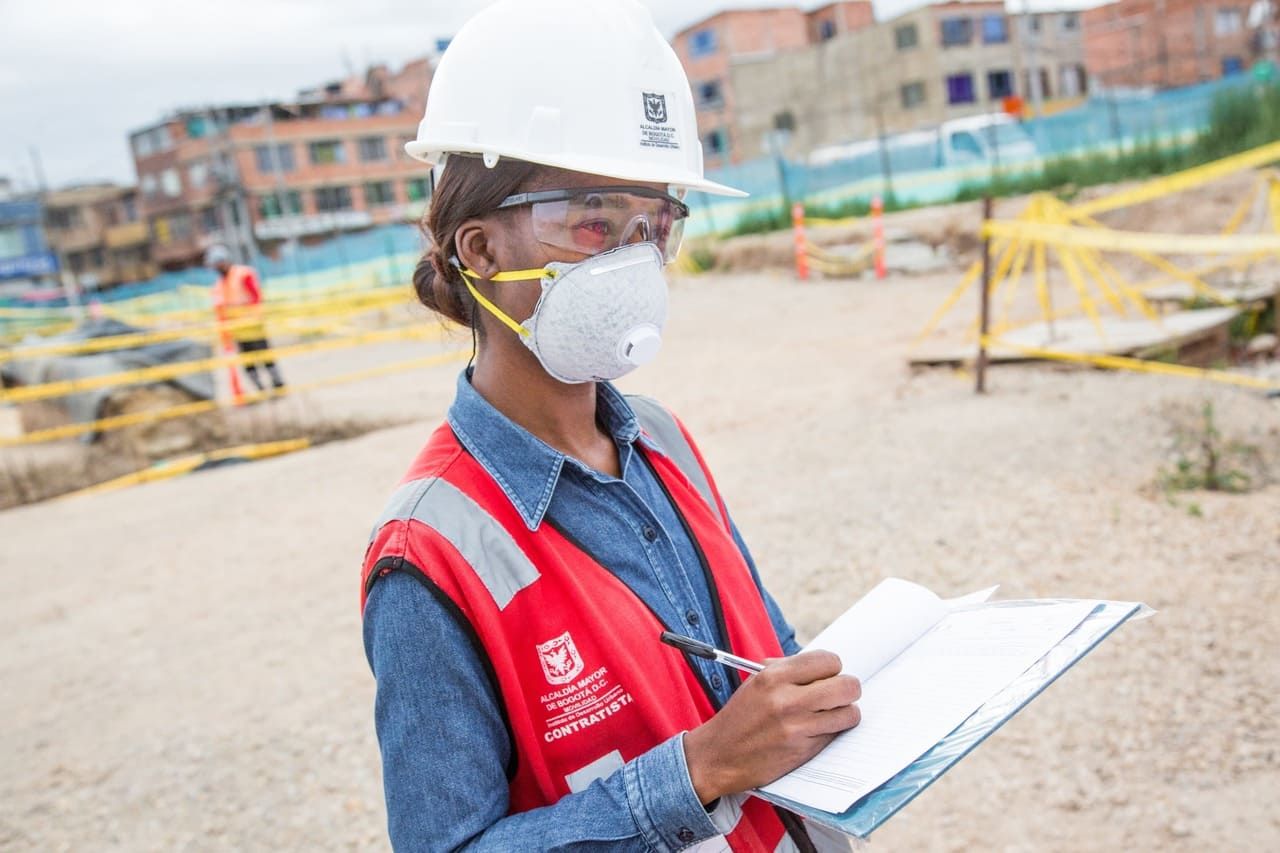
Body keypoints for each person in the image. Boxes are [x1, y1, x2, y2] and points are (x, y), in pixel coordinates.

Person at [361, 1, 862, 850]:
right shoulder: (428, 556)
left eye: (653, 224)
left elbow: (758, 646)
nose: (631, 260)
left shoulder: (662, 439)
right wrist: (697, 769)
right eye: (593, 221)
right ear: (479, 248)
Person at [204, 244, 284, 391]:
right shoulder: (219, 285)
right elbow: (220, 308)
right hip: (237, 330)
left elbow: (256, 296)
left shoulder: (242, 274)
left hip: (253, 324)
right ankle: (260, 387)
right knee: (248, 361)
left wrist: (251, 315)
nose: (217, 267)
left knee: (264, 355)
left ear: (225, 260)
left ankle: (277, 383)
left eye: (218, 263)